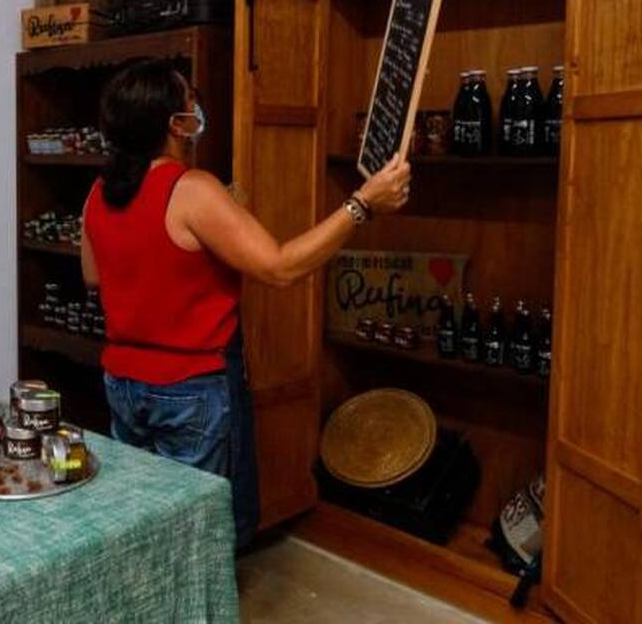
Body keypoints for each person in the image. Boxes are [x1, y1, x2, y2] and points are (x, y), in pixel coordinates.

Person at [80, 59, 411, 548]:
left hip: (123, 381)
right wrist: (360, 204)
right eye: (190, 101)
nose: (197, 109)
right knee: (196, 532)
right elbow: (280, 267)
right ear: (175, 124)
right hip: (189, 386)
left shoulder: (99, 192)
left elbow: (93, 275)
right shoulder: (192, 189)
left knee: (145, 517)